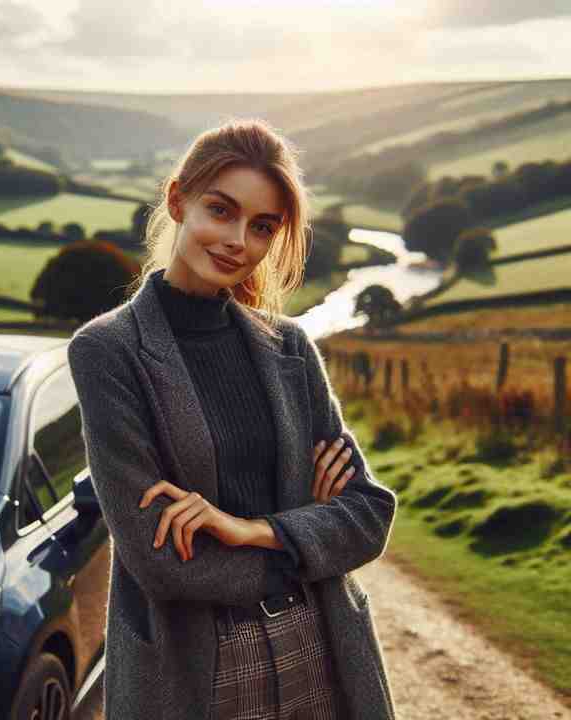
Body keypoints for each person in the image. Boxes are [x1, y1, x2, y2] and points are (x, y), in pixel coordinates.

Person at [67, 118, 398, 720]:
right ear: (178, 200)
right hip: (198, 667)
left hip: (321, 646)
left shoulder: (290, 346)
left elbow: (369, 513)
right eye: (221, 211)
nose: (238, 240)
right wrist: (307, 534)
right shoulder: (107, 350)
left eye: (262, 226)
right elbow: (159, 559)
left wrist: (255, 529)